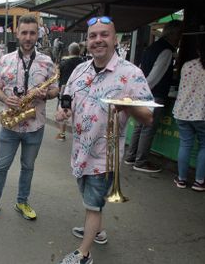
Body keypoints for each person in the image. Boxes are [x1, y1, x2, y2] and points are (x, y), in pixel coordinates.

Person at [54, 16, 154, 264]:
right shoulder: (79, 69)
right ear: (87, 41)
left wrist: (128, 105)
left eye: (104, 34)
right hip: (79, 151)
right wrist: (63, 111)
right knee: (91, 202)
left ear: (115, 38)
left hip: (104, 157)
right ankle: (97, 230)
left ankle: (84, 253)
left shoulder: (131, 74)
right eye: (93, 35)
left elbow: (148, 118)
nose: (98, 40)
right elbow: (67, 101)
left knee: (92, 205)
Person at [0, 14, 59, 221]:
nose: (28, 37)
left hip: (35, 125)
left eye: (33, 33)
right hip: (10, 126)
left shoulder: (47, 62)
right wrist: (6, 98)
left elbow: (56, 90)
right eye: (24, 32)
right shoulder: (5, 60)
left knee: (28, 167)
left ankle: (22, 201)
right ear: (17, 34)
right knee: (1, 166)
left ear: (38, 34)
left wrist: (46, 94)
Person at [124, 20, 183, 173]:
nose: (179, 38)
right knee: (147, 128)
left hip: (143, 93)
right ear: (173, 34)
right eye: (179, 34)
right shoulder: (166, 51)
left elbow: (143, 72)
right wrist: (144, 91)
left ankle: (131, 156)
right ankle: (141, 162)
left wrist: (138, 91)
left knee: (139, 126)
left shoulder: (151, 48)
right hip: (153, 95)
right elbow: (155, 76)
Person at [172, 35, 205, 192]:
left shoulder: (187, 65)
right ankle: (199, 181)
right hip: (204, 113)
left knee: (185, 144)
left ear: (198, 50)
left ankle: (181, 179)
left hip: (182, 112)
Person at [55, 42, 84, 141]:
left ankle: (62, 134)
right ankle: (80, 135)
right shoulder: (84, 62)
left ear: (69, 51)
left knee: (63, 110)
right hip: (80, 90)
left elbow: (58, 76)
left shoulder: (64, 62)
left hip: (65, 90)